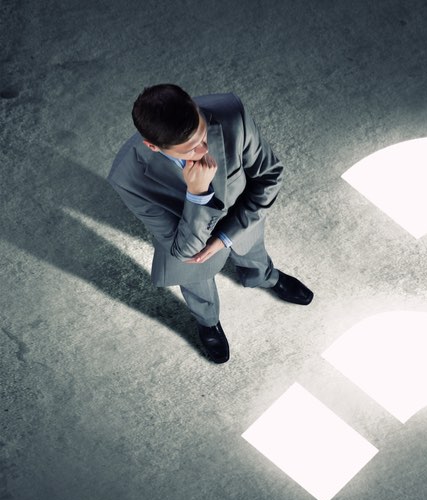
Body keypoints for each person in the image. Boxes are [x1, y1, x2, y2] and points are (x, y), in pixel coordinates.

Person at [107, 84, 313, 363]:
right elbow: (183, 250)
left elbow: (270, 177)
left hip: (242, 217)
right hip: (188, 240)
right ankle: (207, 321)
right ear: (153, 147)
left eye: (203, 135)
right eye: (190, 149)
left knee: (254, 251)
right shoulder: (127, 178)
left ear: (195, 106)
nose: (205, 150)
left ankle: (265, 277)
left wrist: (225, 238)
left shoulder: (232, 114)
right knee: (196, 281)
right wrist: (197, 195)